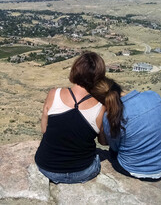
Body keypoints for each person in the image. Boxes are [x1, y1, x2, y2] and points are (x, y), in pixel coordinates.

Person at [34, 51, 107, 184]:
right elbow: (103, 142)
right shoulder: (100, 108)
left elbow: (44, 130)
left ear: (74, 70)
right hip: (82, 172)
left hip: (47, 168)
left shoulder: (53, 94)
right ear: (99, 77)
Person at [90, 77, 161, 181]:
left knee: (114, 151)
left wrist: (102, 117)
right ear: (117, 86)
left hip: (134, 169)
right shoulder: (153, 96)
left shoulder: (111, 117)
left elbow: (110, 145)